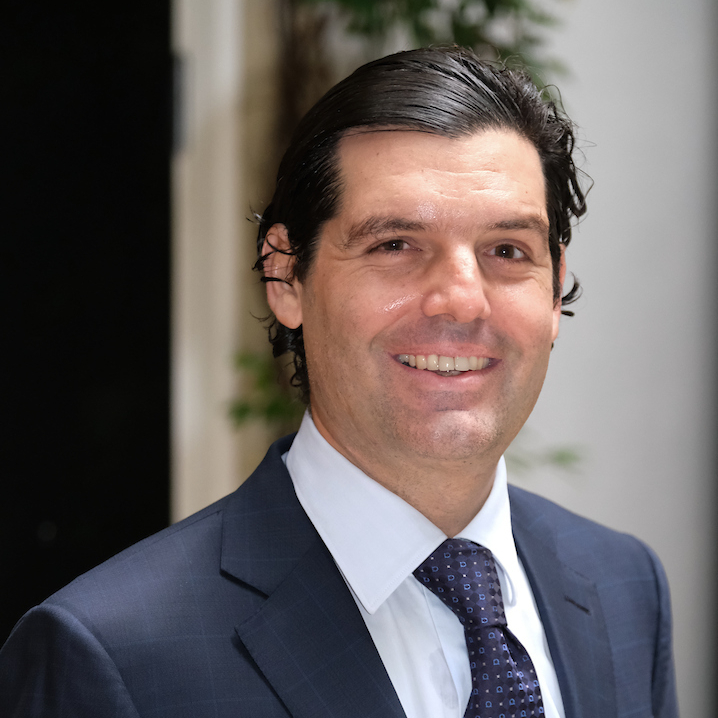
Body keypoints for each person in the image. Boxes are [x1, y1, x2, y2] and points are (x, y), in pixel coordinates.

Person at [0, 46, 677, 718]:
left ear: (555, 288)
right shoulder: (115, 659)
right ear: (285, 277)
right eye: (395, 245)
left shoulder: (624, 588)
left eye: (507, 251)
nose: (463, 300)